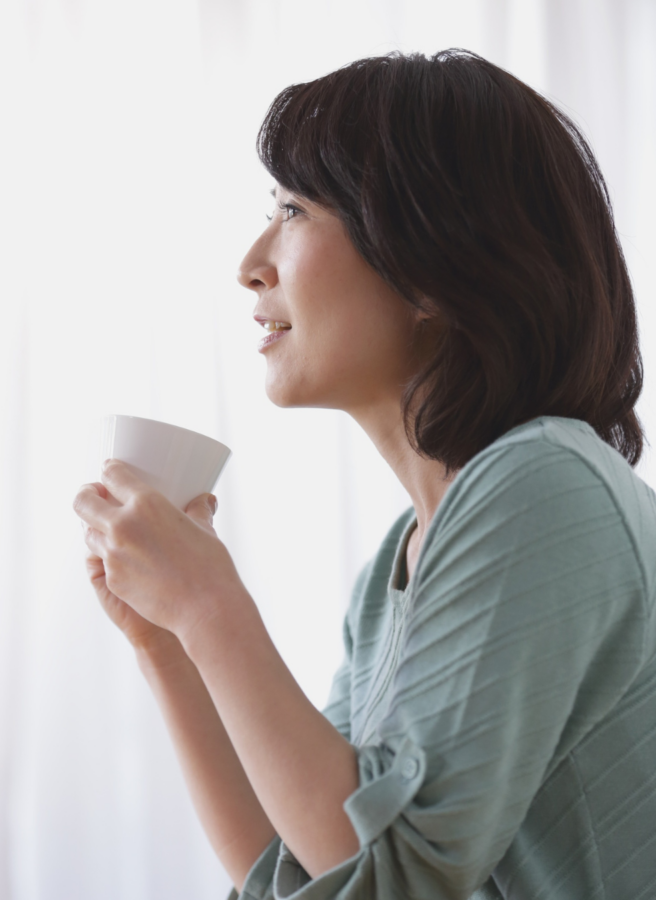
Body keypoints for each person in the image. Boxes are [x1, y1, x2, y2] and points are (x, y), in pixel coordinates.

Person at [72, 50, 656, 900]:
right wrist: (165, 642)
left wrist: (209, 604)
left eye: (294, 210)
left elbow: (395, 880)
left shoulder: (545, 484)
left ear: (432, 263)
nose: (251, 261)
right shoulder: (403, 561)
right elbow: (299, 872)